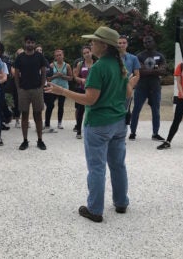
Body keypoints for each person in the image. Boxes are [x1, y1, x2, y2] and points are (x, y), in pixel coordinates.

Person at [44, 26, 139, 223]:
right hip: (119, 123)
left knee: (96, 167)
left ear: (103, 46)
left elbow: (89, 99)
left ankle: (95, 209)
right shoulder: (120, 65)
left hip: (98, 125)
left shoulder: (98, 68)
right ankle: (121, 202)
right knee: (118, 165)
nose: (91, 44)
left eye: (94, 41)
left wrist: (62, 92)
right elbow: (129, 93)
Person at [129, 35, 166, 141]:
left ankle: (155, 133)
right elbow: (139, 71)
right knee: (136, 109)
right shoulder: (139, 56)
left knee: (156, 110)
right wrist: (155, 68)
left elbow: (163, 71)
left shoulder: (160, 56)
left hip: (155, 86)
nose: (147, 43)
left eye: (149, 41)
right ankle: (132, 132)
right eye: (145, 42)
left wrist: (147, 69)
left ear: (153, 42)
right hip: (141, 87)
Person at [14, 35, 47, 150]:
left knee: (38, 115)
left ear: (35, 44)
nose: (30, 44)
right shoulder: (20, 58)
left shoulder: (39, 57)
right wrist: (18, 88)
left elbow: (43, 72)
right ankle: (25, 140)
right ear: (25, 43)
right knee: (24, 115)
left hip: (37, 89)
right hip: (24, 90)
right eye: (28, 42)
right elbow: (16, 74)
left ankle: (40, 140)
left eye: (32, 42)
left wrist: (42, 86)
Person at [44, 49, 72, 132]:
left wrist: (63, 76)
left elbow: (71, 78)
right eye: (57, 55)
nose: (59, 57)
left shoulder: (67, 66)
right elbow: (48, 78)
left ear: (63, 55)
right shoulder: (52, 65)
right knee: (50, 105)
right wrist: (55, 76)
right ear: (55, 57)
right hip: (53, 88)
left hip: (63, 88)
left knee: (61, 105)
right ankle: (47, 123)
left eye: (60, 55)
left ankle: (59, 123)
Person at [73, 46, 94, 139]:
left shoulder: (97, 63)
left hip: (94, 90)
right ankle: (78, 131)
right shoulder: (80, 64)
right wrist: (81, 79)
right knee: (80, 111)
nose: (86, 54)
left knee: (92, 111)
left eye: (88, 52)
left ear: (91, 52)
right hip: (82, 90)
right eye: (84, 53)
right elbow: (75, 77)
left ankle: (92, 130)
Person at [118, 35, 141, 122]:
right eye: (119, 43)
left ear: (127, 44)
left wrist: (130, 86)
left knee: (124, 111)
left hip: (127, 89)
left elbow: (137, 75)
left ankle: (121, 133)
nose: (122, 45)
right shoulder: (112, 58)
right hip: (114, 89)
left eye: (124, 43)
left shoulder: (133, 58)